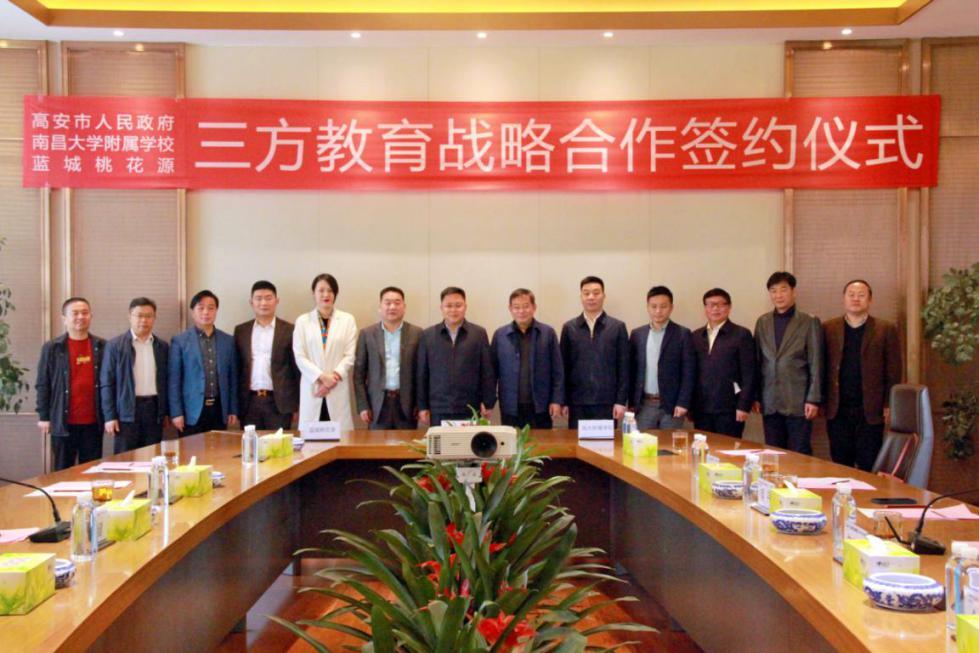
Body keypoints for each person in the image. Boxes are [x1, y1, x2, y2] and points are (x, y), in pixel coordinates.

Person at [823, 279, 902, 470]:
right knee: (840, 463)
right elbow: (821, 366)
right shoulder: (828, 328)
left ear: (870, 300)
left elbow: (894, 370)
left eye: (861, 295)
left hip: (870, 409)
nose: (855, 299)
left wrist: (888, 403)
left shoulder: (885, 329)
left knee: (869, 463)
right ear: (843, 299)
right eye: (851, 295)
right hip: (837, 408)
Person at [753, 271, 823, 454]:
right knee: (773, 453)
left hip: (799, 401)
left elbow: (816, 362)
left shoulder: (809, 321)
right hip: (770, 400)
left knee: (800, 452)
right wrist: (757, 396)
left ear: (794, 292)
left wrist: (813, 399)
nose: (778, 295)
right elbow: (758, 361)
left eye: (783, 290)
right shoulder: (762, 322)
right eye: (773, 291)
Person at [36, 297, 106, 470]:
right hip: (63, 421)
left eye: (85, 313)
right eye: (75, 313)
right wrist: (44, 416)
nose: (80, 317)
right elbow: (43, 383)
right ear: (64, 318)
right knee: (62, 471)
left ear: (90, 316)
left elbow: (110, 383)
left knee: (91, 470)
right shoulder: (52, 348)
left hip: (93, 422)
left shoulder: (102, 346)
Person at [417, 287, 496, 426]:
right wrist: (422, 406)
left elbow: (487, 371)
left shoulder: (478, 334)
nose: (453, 310)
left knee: (468, 441)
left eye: (458, 305)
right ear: (441, 308)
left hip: (471, 406)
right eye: (448, 306)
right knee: (441, 441)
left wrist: (488, 401)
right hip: (439, 407)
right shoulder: (428, 335)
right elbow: (422, 374)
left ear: (465, 307)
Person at [101, 297, 169, 453]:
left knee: (152, 456)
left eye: (148, 316)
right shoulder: (115, 346)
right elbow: (107, 383)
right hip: (126, 411)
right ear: (130, 317)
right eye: (139, 315)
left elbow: (166, 381)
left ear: (154, 318)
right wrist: (109, 416)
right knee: (125, 458)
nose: (144, 320)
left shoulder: (162, 346)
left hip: (153, 410)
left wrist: (165, 412)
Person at [560, 276, 629, 428]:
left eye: (596, 293)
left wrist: (620, 401)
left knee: (605, 443)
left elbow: (624, 367)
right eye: (586, 293)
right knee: (577, 442)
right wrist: (563, 401)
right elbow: (563, 367)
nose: (591, 297)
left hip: (607, 403)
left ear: (604, 296)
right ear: (581, 296)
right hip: (577, 403)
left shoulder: (617, 327)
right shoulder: (569, 328)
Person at [490, 288, 564, 429]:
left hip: (541, 406)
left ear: (534, 307)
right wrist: (489, 402)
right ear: (510, 309)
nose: (521, 311)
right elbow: (491, 372)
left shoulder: (547, 333)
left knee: (542, 442)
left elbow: (558, 371)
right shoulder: (500, 335)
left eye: (526, 306)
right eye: (516, 307)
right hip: (510, 407)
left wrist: (557, 400)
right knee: (511, 441)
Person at [293, 273, 358, 431]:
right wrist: (322, 378)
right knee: (311, 438)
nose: (326, 295)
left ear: (335, 293)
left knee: (340, 439)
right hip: (313, 387)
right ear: (313, 293)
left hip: (337, 387)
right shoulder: (303, 321)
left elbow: (350, 355)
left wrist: (332, 380)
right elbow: (300, 356)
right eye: (321, 290)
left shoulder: (347, 320)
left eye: (330, 290)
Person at [169, 290, 238, 436]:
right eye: (201, 308)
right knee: (191, 449)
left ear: (216, 311)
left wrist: (232, 409)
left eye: (211, 308)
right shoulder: (180, 341)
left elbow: (232, 378)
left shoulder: (228, 340)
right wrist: (176, 413)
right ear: (192, 312)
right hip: (190, 411)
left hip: (219, 409)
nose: (206, 312)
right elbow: (174, 380)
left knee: (219, 449)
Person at [234, 281, 300, 431]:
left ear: (277, 301)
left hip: (280, 403)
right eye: (258, 298)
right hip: (249, 403)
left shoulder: (290, 330)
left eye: (268, 298)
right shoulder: (241, 331)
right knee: (250, 444)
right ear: (251, 302)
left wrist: (297, 405)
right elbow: (236, 369)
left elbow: (296, 370)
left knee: (279, 445)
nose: (263, 303)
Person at [353, 286, 422, 430]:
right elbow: (358, 375)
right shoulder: (367, 334)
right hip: (377, 406)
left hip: (407, 405)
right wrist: (363, 405)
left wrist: (421, 404)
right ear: (380, 307)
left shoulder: (417, 333)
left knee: (407, 444)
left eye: (397, 303)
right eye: (388, 303)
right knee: (376, 444)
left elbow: (422, 373)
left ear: (404, 307)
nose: (392, 307)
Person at [690, 288, 756, 438]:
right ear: (705, 308)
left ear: (729, 307)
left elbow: (749, 373)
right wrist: (691, 406)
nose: (715, 309)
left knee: (728, 448)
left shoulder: (741, 334)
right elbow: (691, 373)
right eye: (711, 304)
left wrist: (744, 405)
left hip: (730, 408)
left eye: (721, 304)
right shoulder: (696, 336)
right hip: (701, 408)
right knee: (702, 448)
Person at [628, 286, 695, 430]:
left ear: (671, 308)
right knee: (642, 442)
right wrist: (632, 402)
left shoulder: (683, 334)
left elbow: (689, 372)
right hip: (644, 404)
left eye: (663, 306)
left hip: (672, 406)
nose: (658, 311)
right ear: (647, 307)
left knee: (670, 443)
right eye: (654, 306)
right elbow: (632, 370)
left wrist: (683, 402)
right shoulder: (637, 334)